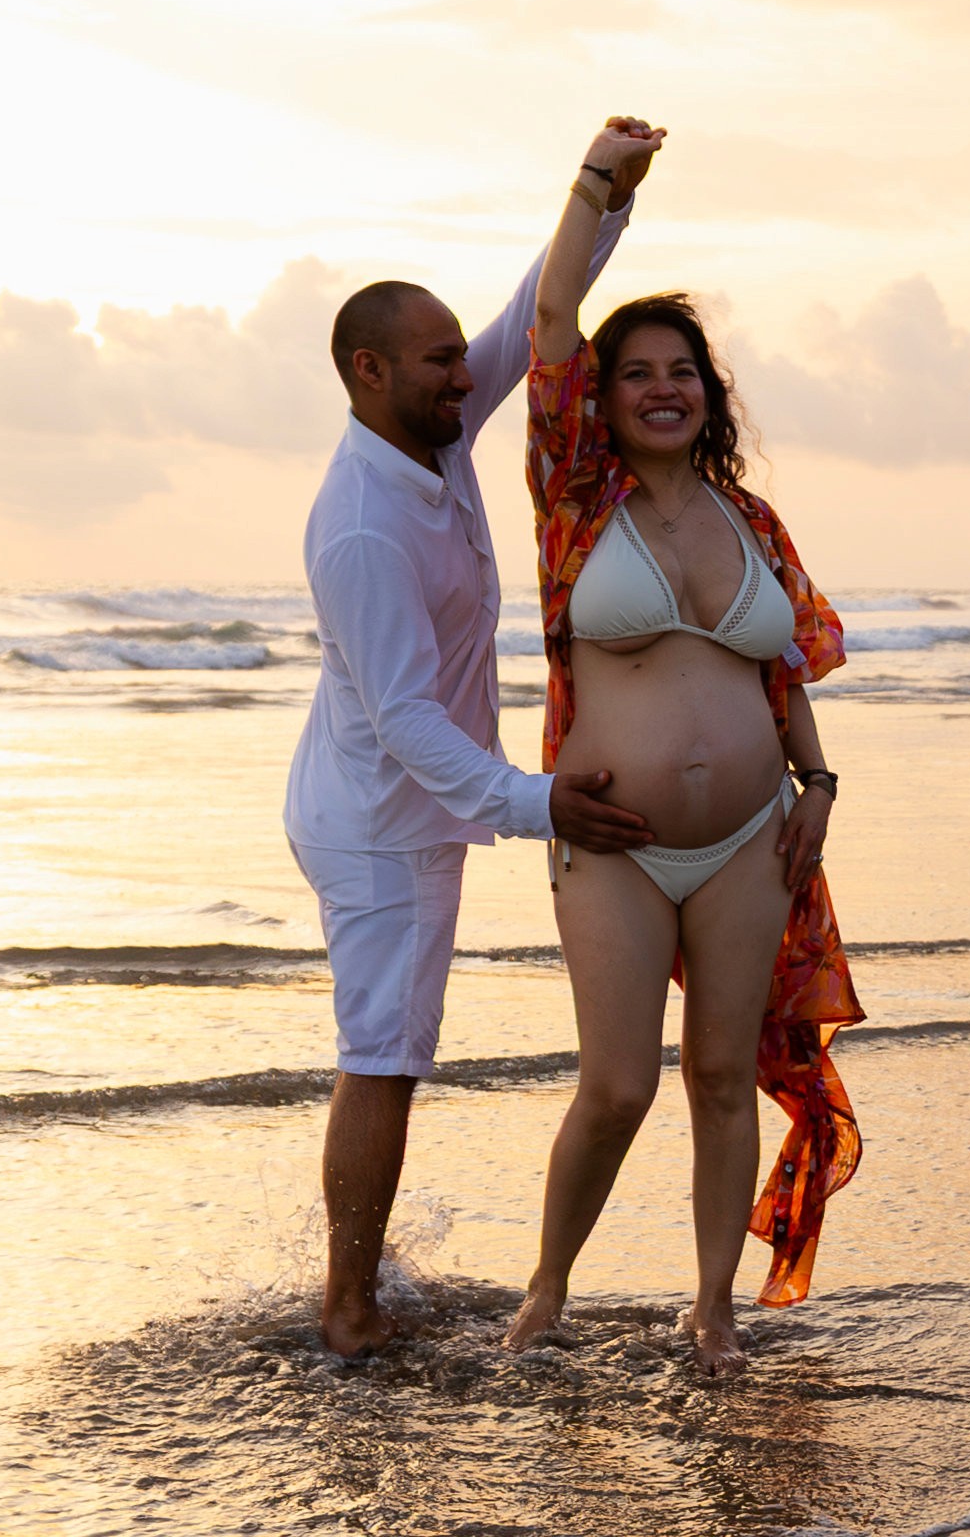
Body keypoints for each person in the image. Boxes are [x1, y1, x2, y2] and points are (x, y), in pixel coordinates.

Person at [284, 121, 663, 1360]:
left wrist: (599, 194)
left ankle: (362, 1279)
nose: (466, 380)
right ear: (365, 372)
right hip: (380, 821)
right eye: (439, 365)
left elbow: (530, 313)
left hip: (420, 805)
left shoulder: (431, 433)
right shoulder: (360, 529)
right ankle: (348, 1310)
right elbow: (401, 725)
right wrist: (537, 800)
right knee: (382, 1057)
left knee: (392, 1053)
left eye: (458, 363)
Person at [504, 123, 864, 1377]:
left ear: (709, 394)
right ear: (600, 401)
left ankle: (711, 1310)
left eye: (683, 371)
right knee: (616, 1086)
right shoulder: (573, 499)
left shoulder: (752, 517)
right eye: (637, 371)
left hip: (750, 845)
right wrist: (599, 185)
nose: (663, 386)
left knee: (719, 1077)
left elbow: (781, 673)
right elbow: (553, 312)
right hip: (614, 842)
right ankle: (546, 1289)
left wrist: (818, 783)